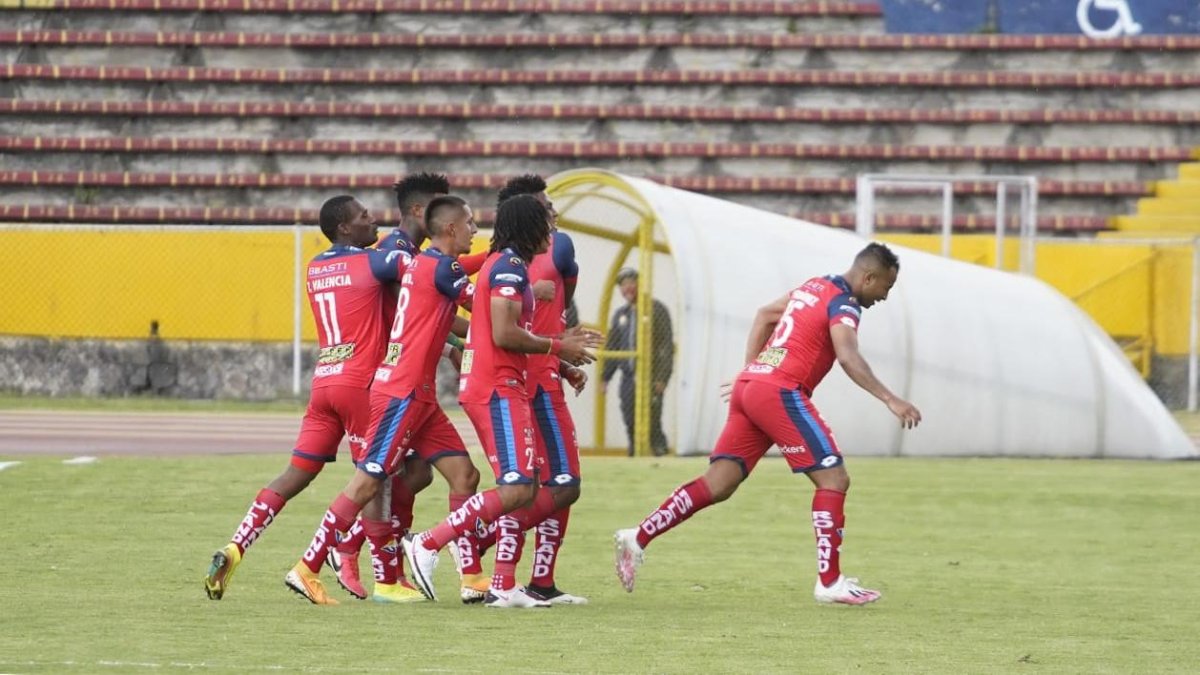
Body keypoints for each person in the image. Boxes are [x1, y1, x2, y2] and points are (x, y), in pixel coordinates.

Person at [613, 243, 922, 605]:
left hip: (751, 386)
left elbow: (764, 315)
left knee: (720, 482)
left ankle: (638, 536)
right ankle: (830, 581)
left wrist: (751, 371)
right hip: (779, 391)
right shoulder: (845, 303)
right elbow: (847, 354)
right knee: (834, 478)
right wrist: (890, 398)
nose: (884, 296)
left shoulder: (813, 286)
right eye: (885, 287)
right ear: (869, 277)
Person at [203, 195, 408, 601]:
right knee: (374, 480)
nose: (374, 220)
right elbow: (423, 270)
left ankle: (235, 546)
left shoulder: (316, 267)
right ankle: (374, 576)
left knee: (294, 475)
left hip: (325, 382)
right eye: (364, 216)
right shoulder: (371, 262)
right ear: (345, 228)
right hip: (360, 384)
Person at [401, 194, 601, 609]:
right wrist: (559, 347)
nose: (553, 231)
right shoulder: (508, 266)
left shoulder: (510, 266)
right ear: (530, 226)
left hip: (504, 384)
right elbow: (504, 334)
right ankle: (429, 542)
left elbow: (501, 331)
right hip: (496, 388)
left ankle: (505, 585)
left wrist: (559, 363)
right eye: (547, 222)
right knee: (517, 488)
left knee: (525, 488)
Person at [283, 195, 482, 605]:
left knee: (465, 475)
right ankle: (308, 565)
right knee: (368, 481)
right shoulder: (438, 267)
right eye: (470, 223)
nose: (475, 231)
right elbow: (484, 311)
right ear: (449, 229)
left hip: (420, 393)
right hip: (400, 391)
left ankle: (471, 576)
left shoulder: (426, 264)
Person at [465, 174, 589, 605]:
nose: (552, 215)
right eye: (543, 209)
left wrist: (561, 356)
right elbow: (489, 321)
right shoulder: (498, 261)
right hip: (511, 376)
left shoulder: (559, 247)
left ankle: (538, 580)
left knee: (557, 481)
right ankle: (489, 555)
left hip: (543, 371)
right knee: (537, 482)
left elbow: (560, 309)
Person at [600, 268, 674, 456]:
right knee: (629, 418)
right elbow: (613, 346)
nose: (627, 288)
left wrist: (662, 378)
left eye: (631, 282)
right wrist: (605, 377)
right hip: (628, 378)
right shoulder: (621, 315)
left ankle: (660, 452)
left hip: (650, 377)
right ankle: (634, 452)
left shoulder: (657, 309)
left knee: (652, 419)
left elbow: (666, 346)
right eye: (623, 285)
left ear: (640, 283)